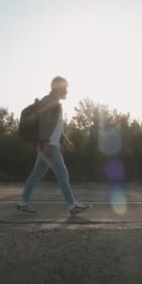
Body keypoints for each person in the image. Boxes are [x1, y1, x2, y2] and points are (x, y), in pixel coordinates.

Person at [17, 76, 91, 216]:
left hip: (50, 144)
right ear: (59, 88)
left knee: (36, 174)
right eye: (65, 88)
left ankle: (23, 203)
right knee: (62, 173)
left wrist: (66, 141)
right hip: (49, 145)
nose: (67, 91)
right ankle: (72, 205)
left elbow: (56, 127)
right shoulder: (49, 101)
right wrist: (45, 143)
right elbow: (44, 123)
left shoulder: (55, 103)